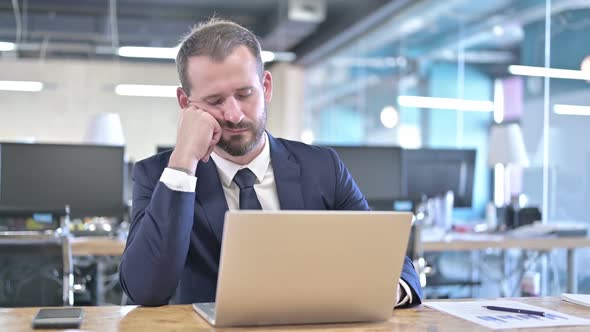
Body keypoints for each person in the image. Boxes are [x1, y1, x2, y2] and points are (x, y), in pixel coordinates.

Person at [119, 18, 422, 307]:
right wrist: (184, 161)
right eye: (214, 101)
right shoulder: (159, 175)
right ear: (186, 104)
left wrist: (385, 290)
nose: (234, 115)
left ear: (265, 86)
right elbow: (145, 289)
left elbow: (391, 263)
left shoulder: (323, 167)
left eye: (244, 94)